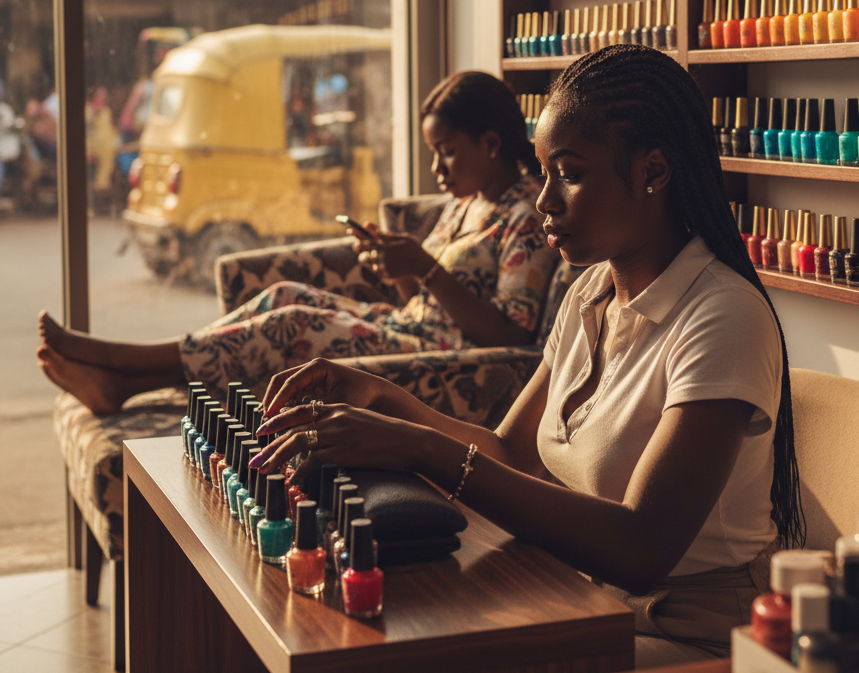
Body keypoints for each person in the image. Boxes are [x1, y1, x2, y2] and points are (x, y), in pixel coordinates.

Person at [247, 45, 804, 664]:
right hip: (582, 596)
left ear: (652, 171)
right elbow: (511, 453)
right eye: (543, 173)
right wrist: (384, 399)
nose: (543, 200)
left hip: (690, 635)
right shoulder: (591, 294)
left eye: (568, 172)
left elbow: (641, 550)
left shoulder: (722, 316)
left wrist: (419, 446)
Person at [37, 71, 558, 415]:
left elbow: (509, 335)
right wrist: (400, 267)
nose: (436, 168)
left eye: (445, 151)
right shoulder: (468, 202)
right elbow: (416, 301)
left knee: (293, 327)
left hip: (448, 360)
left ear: (490, 144)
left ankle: (121, 363)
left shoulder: (526, 216)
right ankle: (125, 382)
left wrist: (424, 267)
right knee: (287, 295)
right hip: (410, 331)